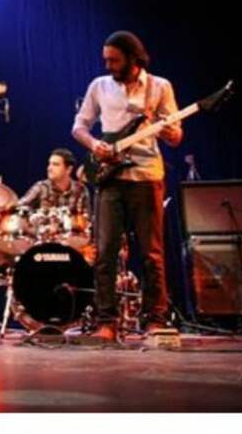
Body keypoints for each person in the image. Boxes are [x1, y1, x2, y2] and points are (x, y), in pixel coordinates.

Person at [72, 30, 182, 342]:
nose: (108, 66)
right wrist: (95, 145)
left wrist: (164, 129)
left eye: (114, 60)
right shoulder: (99, 86)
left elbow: (176, 136)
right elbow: (79, 126)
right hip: (110, 178)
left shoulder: (160, 87)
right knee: (105, 252)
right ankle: (106, 321)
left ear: (133, 59)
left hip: (147, 176)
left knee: (151, 254)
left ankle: (155, 319)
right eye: (106, 60)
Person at [16, 148, 90, 216]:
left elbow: (86, 218)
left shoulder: (81, 190)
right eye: (49, 164)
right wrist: (33, 215)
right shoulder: (41, 187)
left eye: (55, 164)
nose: (49, 168)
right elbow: (18, 207)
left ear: (69, 169)